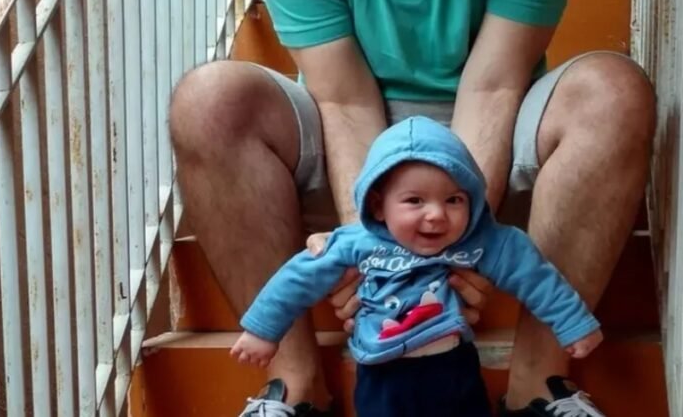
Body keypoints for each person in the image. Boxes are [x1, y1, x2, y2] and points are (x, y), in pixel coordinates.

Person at [168, 0, 657, 414]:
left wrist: (456, 245)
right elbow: (343, 100)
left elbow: (493, 85)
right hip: (350, 131)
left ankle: (538, 389)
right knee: (207, 100)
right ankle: (293, 389)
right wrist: (375, 253)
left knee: (615, 91)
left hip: (487, 127)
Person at [230, 116, 603, 417]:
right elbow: (297, 279)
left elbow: (534, 276)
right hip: (382, 369)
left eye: (454, 200)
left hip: (452, 364)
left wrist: (572, 323)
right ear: (378, 205)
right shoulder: (354, 243)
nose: (436, 215)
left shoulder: (484, 242)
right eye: (414, 200)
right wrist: (264, 330)